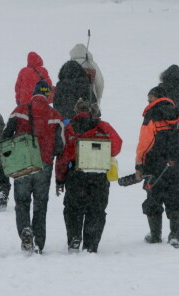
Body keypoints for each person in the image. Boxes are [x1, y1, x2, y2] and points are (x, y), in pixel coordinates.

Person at [3, 80, 64, 255]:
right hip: (44, 164)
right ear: (47, 95)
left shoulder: (19, 110)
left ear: (34, 93)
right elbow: (60, 146)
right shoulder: (55, 115)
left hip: (22, 161)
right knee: (40, 204)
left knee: (22, 203)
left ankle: (25, 231)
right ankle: (39, 242)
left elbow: (6, 135)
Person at [55, 99, 122, 253]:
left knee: (73, 209)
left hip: (76, 175)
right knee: (97, 210)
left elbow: (63, 157)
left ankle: (74, 238)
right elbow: (116, 147)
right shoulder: (103, 127)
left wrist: (60, 180)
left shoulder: (69, 128)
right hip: (99, 176)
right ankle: (91, 244)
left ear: (77, 111)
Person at [135, 85, 179, 248]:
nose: (147, 102)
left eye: (149, 99)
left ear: (156, 98)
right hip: (178, 165)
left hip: (155, 165)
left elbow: (145, 143)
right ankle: (174, 235)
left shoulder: (151, 115)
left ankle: (155, 234)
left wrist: (139, 164)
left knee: (153, 198)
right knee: (176, 198)